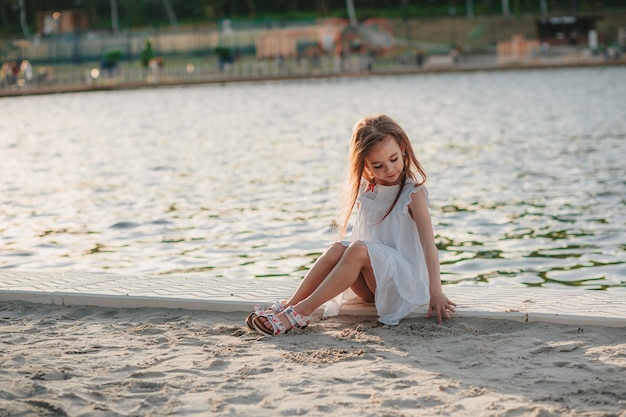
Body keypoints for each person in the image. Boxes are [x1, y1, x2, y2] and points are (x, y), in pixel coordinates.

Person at [248, 114, 456, 336]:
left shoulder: (412, 194)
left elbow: (428, 246)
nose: (389, 169)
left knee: (357, 248)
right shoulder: (369, 191)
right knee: (337, 248)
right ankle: (290, 305)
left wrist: (436, 290)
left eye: (394, 159)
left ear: (403, 148)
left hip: (407, 286)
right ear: (366, 165)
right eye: (378, 165)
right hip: (375, 284)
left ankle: (300, 312)